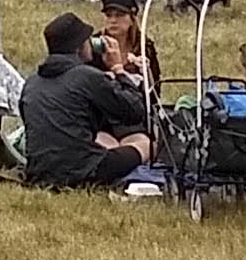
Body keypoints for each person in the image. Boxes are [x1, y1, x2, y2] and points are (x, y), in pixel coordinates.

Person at [13, 11, 155, 191]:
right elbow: (134, 111)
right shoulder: (86, 76)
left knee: (104, 139)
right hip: (84, 171)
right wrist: (118, 69)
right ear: (80, 46)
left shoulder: (31, 82)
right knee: (146, 144)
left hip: (40, 171)